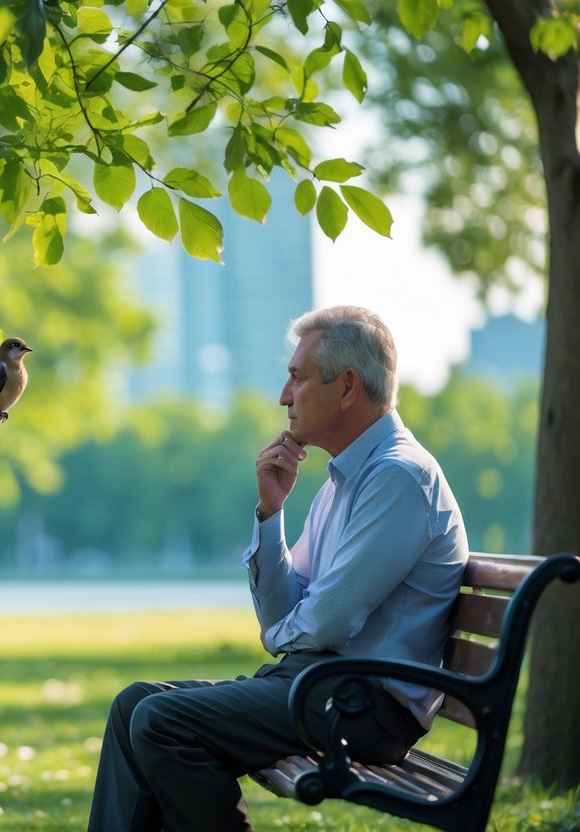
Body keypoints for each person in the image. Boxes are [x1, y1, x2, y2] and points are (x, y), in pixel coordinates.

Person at [87, 305, 468, 831]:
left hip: (364, 707)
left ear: (348, 386)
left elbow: (329, 621)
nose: (284, 397)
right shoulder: (346, 481)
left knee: (163, 723)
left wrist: (282, 637)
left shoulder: (398, 478)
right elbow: (290, 615)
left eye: (297, 378)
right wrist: (271, 513)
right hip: (323, 687)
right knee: (135, 706)